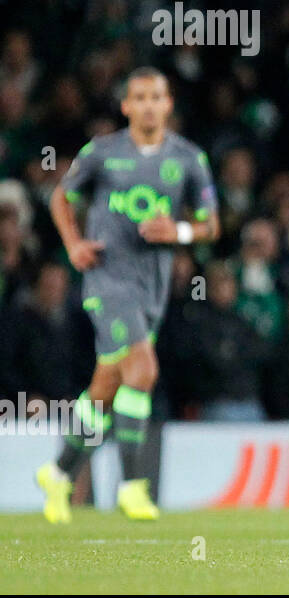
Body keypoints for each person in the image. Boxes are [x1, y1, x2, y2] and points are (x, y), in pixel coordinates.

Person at [36, 67, 219, 522]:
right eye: (139, 97)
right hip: (107, 280)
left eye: (157, 96)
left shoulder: (190, 158)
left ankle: (58, 475)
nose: (149, 105)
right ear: (126, 106)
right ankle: (134, 486)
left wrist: (176, 229)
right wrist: (74, 244)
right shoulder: (102, 153)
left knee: (105, 388)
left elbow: (212, 225)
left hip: (152, 287)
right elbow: (61, 197)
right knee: (143, 369)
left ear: (169, 103)